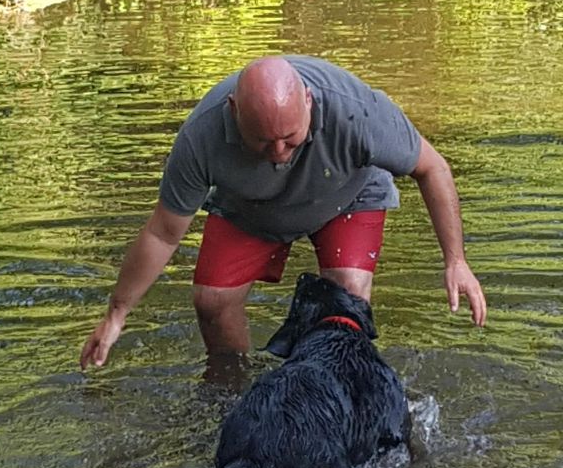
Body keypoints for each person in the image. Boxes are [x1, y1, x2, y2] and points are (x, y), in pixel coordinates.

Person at [80, 55, 486, 369]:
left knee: (345, 297)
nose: (278, 154)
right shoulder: (201, 136)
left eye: (290, 139)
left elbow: (432, 168)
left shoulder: (356, 112)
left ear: (308, 102)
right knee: (211, 302)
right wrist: (117, 313)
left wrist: (456, 260)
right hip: (252, 207)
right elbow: (163, 233)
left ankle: (338, 385)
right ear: (233, 110)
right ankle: (231, 389)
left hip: (347, 195)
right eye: (263, 141)